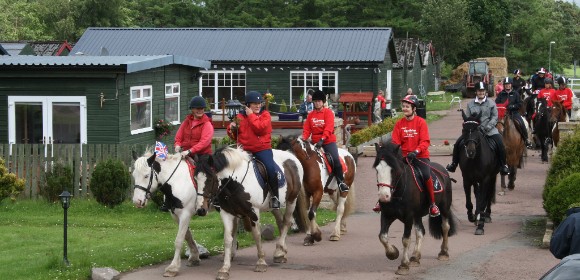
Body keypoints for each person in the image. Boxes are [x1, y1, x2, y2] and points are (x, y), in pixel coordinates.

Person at [385, 94, 439, 216]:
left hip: (420, 156)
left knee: (426, 174)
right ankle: (382, 201)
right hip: (403, 157)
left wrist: (416, 151)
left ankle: (432, 204)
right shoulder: (399, 124)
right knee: (387, 172)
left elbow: (425, 141)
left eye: (407, 106)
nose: (404, 109)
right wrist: (396, 152)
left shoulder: (421, 122)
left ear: (414, 108)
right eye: (403, 106)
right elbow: (395, 141)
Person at [227, 91, 280, 209]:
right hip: (244, 150)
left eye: (259, 103)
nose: (258, 106)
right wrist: (231, 129)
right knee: (231, 168)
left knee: (270, 169)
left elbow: (260, 129)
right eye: (254, 104)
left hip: (262, 149)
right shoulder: (239, 117)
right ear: (247, 105)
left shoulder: (266, 115)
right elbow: (233, 135)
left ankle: (275, 197)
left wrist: (251, 115)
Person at [446, 82, 510, 176]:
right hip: (474, 131)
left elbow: (495, 117)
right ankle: (454, 164)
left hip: (490, 130)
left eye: (483, 91)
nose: (481, 93)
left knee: (500, 143)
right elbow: (467, 118)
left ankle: (503, 165)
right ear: (476, 92)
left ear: (485, 91)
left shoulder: (491, 103)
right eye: (479, 91)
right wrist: (472, 127)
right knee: (458, 143)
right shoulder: (470, 104)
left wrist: (488, 127)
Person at [165, 96, 214, 212]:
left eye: (201, 108)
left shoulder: (207, 124)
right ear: (192, 109)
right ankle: (169, 200)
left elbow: (204, 142)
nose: (199, 110)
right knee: (171, 172)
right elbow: (179, 136)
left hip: (202, 154)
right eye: (197, 108)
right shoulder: (186, 121)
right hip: (185, 153)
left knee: (202, 177)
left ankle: (207, 201)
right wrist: (177, 145)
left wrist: (190, 150)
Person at [302, 90, 349, 193]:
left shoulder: (328, 113)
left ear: (323, 102)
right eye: (315, 101)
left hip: (327, 141)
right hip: (314, 142)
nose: (317, 103)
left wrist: (322, 140)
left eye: (319, 101)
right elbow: (306, 130)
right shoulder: (310, 115)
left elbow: (328, 128)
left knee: (335, 160)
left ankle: (341, 182)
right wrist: (303, 139)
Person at [495, 77, 532, 148]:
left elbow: (520, 103)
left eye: (508, 84)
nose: (507, 85)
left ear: (511, 84)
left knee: (521, 123)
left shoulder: (515, 94)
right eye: (505, 84)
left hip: (514, 113)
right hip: (502, 114)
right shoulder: (501, 94)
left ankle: (526, 139)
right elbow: (497, 103)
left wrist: (513, 106)